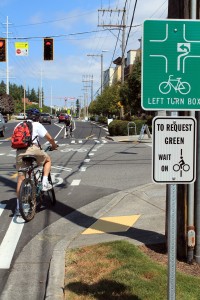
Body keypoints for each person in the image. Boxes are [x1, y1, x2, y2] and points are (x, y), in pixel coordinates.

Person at [14, 110, 58, 215]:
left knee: (21, 178)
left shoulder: (19, 125)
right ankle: (44, 183)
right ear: (37, 117)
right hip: (33, 149)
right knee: (47, 160)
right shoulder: (37, 124)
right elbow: (49, 138)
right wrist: (54, 145)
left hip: (20, 151)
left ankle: (18, 206)